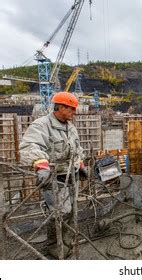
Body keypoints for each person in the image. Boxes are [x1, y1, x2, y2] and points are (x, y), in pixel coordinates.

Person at [19, 91, 87, 258]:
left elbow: (76, 149)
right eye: (71, 109)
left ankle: (66, 240)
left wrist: (81, 164)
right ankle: (53, 245)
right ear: (60, 107)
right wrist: (42, 166)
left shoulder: (70, 127)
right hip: (53, 178)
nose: (74, 112)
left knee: (72, 210)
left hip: (70, 175)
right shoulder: (41, 125)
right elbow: (30, 146)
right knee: (59, 212)